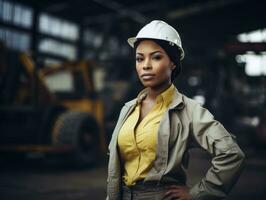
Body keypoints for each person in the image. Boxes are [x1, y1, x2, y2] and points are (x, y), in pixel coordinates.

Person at [107, 20, 245, 200]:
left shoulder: (188, 110)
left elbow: (231, 154)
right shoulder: (128, 109)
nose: (146, 65)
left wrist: (198, 193)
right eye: (140, 58)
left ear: (172, 63)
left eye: (156, 57)